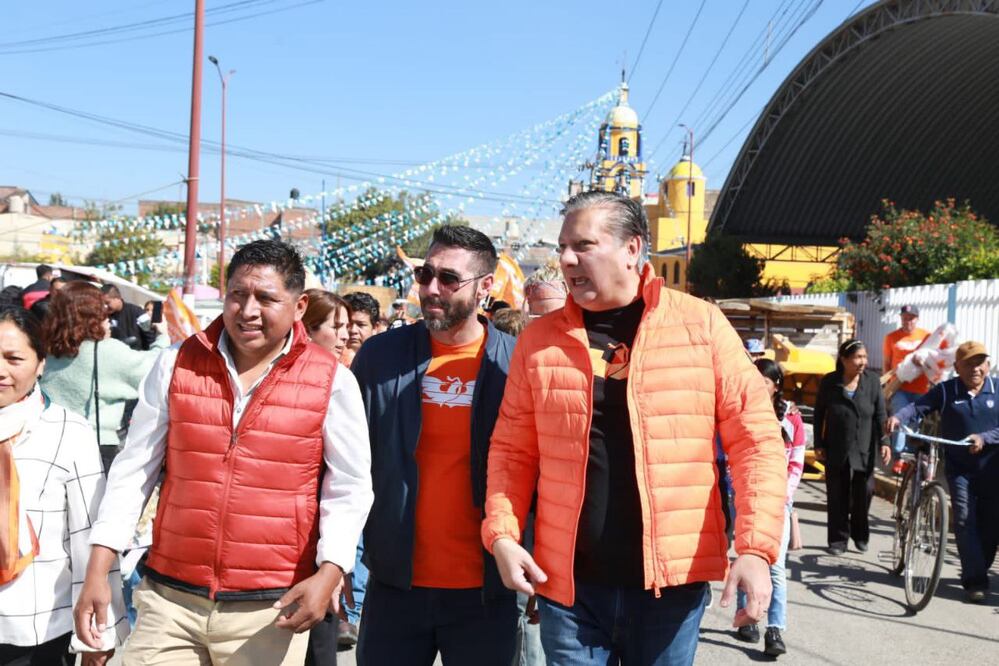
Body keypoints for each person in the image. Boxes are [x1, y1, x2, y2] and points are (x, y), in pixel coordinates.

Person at [481, 190, 788, 666]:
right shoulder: (539, 342)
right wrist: (502, 534)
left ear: (632, 248)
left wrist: (755, 550)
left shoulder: (700, 325)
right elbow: (512, 451)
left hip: (671, 589)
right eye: (563, 246)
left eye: (583, 245)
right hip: (571, 589)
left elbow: (756, 442)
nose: (565, 258)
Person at [73, 240, 373, 665]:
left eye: (266, 298)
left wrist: (332, 571)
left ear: (300, 305)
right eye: (238, 295)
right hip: (169, 599)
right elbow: (133, 469)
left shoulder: (332, 382)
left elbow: (350, 487)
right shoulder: (177, 363)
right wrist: (99, 568)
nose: (248, 310)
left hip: (269, 609)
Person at [351, 225, 520, 665]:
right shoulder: (379, 359)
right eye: (426, 274)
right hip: (394, 585)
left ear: (486, 286)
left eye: (448, 278)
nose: (430, 288)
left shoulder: (516, 364)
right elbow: (344, 464)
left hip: (487, 589)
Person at [0, 308, 127, 665]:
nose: (1, 370)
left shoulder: (68, 432)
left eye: (14, 359)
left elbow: (89, 536)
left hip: (38, 627)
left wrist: (100, 634)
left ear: (41, 363)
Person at [886, 341, 998, 603]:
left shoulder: (997, 389)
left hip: (993, 470)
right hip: (960, 470)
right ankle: (975, 581)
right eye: (969, 363)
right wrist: (898, 417)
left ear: (988, 365)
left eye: (980, 362)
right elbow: (917, 407)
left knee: (991, 526)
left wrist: (984, 437)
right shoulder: (947, 391)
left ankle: (977, 567)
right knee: (963, 519)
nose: (976, 368)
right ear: (957, 367)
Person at [39, 281, 169, 474]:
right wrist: (162, 336)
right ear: (93, 318)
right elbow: (157, 367)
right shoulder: (105, 351)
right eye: (104, 314)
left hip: (47, 442)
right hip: (93, 446)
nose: (109, 321)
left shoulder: (49, 350)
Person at [735, 359, 805, 656]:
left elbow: (797, 462)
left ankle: (774, 628)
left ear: (776, 385)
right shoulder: (739, 409)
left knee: (776, 567)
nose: (759, 383)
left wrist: (784, 497)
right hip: (746, 497)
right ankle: (745, 619)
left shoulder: (791, 418)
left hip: (778, 501)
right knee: (746, 558)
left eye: (765, 379)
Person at [813, 339, 889, 555]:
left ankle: (860, 534)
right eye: (858, 357)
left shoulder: (872, 382)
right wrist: (819, 442)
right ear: (844, 360)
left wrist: (884, 441)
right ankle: (838, 541)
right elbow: (819, 413)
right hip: (836, 447)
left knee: (864, 492)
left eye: (864, 357)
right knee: (837, 494)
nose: (862, 362)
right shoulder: (830, 382)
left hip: (864, 448)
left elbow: (881, 414)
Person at [883, 305, 932, 463]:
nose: (908, 321)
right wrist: (888, 385)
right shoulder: (891, 337)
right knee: (899, 418)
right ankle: (899, 456)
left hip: (921, 387)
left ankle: (910, 455)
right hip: (899, 387)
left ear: (917, 319)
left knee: (914, 421)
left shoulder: (927, 336)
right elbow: (886, 363)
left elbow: (934, 361)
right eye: (905, 317)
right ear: (901, 318)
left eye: (911, 317)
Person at [302, 289, 352, 363]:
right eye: (336, 327)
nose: (346, 336)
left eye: (347, 327)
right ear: (307, 330)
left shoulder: (343, 373)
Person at [101, 285, 156, 351]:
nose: (105, 306)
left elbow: (150, 336)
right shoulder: (105, 316)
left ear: (118, 298)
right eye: (103, 304)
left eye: (107, 302)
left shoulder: (138, 312)